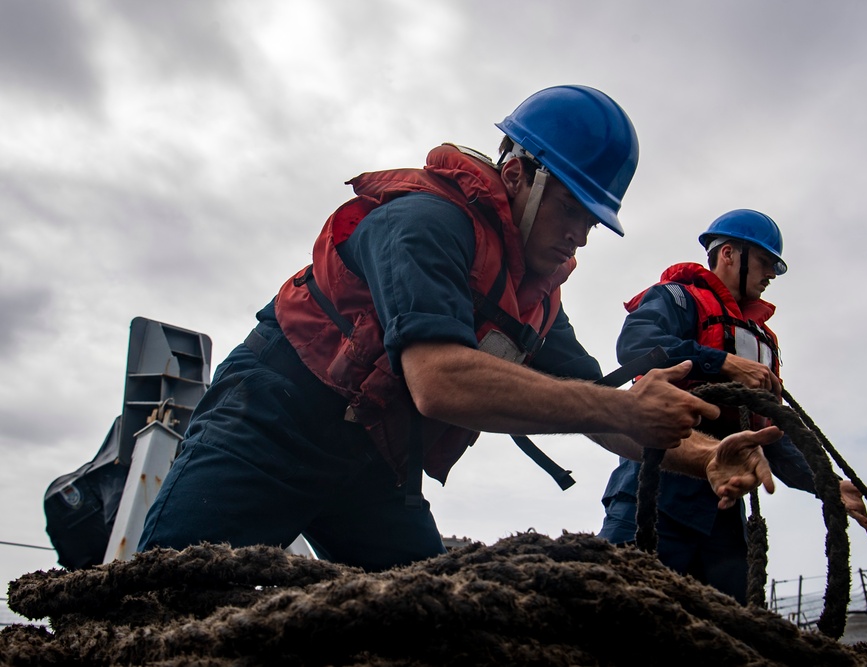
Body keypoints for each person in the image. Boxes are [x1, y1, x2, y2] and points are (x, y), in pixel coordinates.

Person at [138, 86, 781, 571]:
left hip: (375, 465)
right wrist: (621, 406)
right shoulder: (425, 223)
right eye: (572, 208)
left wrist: (706, 459)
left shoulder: (535, 301)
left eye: (594, 218)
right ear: (517, 173)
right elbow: (438, 381)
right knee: (162, 601)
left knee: (434, 629)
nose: (581, 234)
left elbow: (607, 417)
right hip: (272, 422)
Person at [598, 209, 867, 603]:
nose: (771, 275)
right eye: (766, 263)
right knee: (612, 608)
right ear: (729, 254)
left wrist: (828, 485)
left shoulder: (760, 339)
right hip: (652, 497)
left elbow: (771, 433)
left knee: (734, 627)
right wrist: (722, 362)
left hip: (723, 513)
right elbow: (637, 347)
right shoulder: (677, 298)